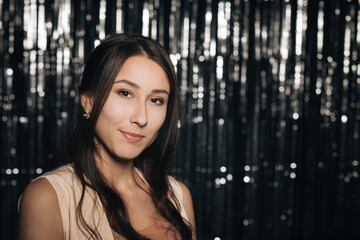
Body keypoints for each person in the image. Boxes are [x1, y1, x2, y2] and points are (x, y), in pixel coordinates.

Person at [17, 33, 196, 240]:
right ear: (88, 101)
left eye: (156, 100)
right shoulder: (48, 198)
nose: (141, 118)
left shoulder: (177, 196)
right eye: (125, 93)